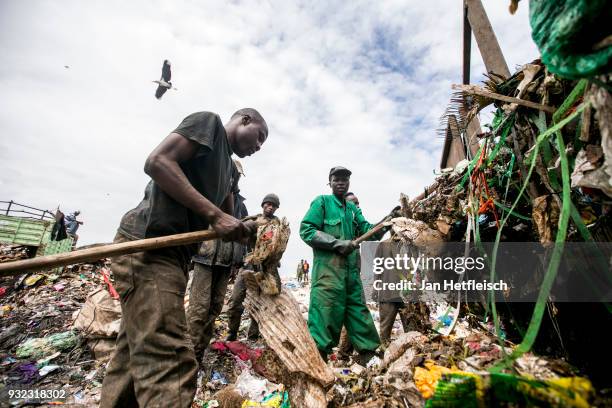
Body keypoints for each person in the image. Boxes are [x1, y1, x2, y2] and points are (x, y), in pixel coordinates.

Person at [100, 108, 268, 408]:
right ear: (245, 120)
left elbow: (229, 221)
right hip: (148, 247)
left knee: (132, 355)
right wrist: (215, 216)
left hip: (176, 258)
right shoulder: (210, 124)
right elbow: (157, 162)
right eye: (259, 137)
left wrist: (249, 228)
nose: (258, 147)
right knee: (171, 361)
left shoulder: (229, 171)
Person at [300, 166, 385, 365]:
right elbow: (307, 230)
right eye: (336, 179)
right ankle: (318, 360)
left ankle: (370, 356)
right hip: (328, 272)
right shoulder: (322, 202)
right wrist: (337, 243)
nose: (340, 182)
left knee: (358, 311)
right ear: (329, 182)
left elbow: (368, 231)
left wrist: (386, 222)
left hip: (351, 273)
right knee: (325, 312)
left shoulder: (352, 209)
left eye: (344, 180)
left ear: (349, 183)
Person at [186, 160, 248, 366]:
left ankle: (200, 353)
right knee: (198, 310)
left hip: (226, 262)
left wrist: (237, 262)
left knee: (214, 309)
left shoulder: (241, 204)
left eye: (238, 176)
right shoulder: (211, 192)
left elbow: (242, 237)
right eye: (233, 174)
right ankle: (189, 358)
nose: (235, 179)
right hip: (205, 257)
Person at [226, 193, 281, 341]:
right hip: (249, 265)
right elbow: (238, 237)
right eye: (267, 204)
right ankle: (231, 334)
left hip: (267, 269)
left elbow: (280, 247)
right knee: (235, 302)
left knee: (260, 304)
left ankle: (253, 336)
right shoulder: (252, 220)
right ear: (263, 205)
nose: (270, 207)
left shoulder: (278, 226)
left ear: (276, 208)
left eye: (273, 205)